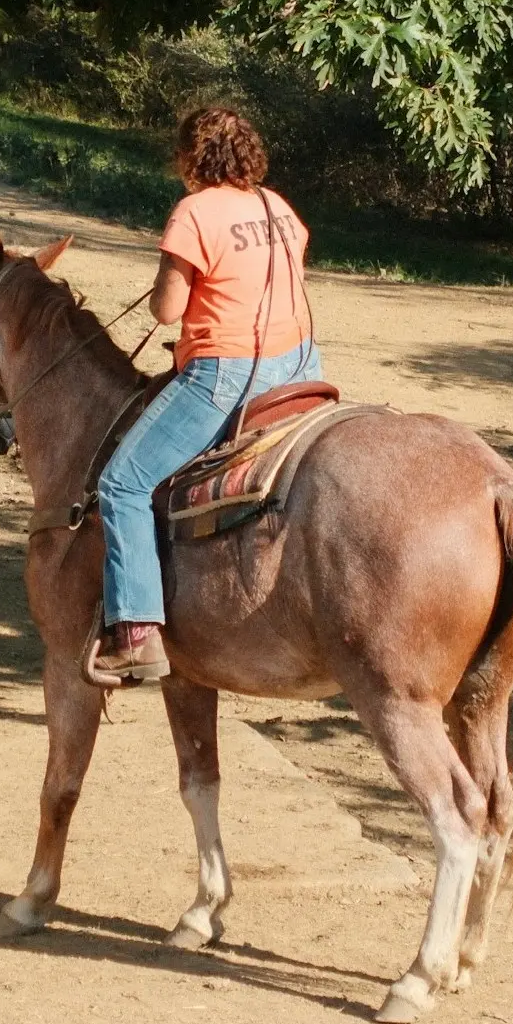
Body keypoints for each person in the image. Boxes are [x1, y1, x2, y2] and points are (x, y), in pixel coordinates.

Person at [91, 107, 323, 682]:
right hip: (300, 365)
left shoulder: (193, 213)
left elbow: (168, 309)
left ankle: (138, 631)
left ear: (191, 158)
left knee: (121, 484)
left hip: (228, 376)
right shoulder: (279, 208)